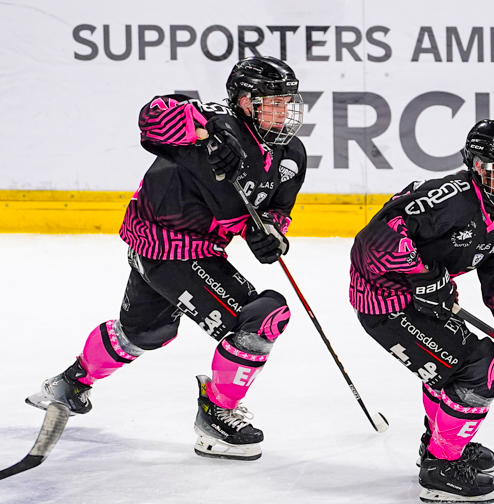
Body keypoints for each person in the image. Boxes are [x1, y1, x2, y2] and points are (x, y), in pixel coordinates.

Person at [25, 56, 308, 461]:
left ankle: (69, 382)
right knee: (263, 315)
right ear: (244, 101)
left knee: (143, 334)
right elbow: (153, 116)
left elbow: (274, 210)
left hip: (199, 250)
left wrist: (270, 235)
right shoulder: (217, 122)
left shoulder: (292, 153)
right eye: (272, 102)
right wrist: (204, 129)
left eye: (287, 102)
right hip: (165, 247)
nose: (283, 112)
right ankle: (217, 414)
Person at [349, 119, 494, 503]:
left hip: (427, 300)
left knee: (455, 368)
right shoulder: (449, 198)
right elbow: (372, 243)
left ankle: (440, 443)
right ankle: (441, 467)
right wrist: (423, 278)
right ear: (480, 167)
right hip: (384, 298)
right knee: (483, 367)